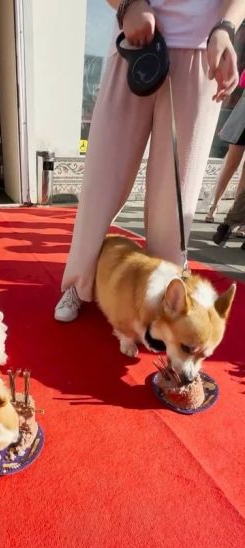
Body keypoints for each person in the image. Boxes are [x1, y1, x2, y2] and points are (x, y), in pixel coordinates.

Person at [54, 0, 245, 323]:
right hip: (136, 42)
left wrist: (226, 27)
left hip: (202, 51)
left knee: (176, 195)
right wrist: (127, 4)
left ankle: (163, 295)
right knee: (102, 177)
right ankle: (79, 280)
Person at [205, 69, 245, 223]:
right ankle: (214, 205)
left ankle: (236, 216)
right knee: (231, 166)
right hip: (241, 122)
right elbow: (242, 81)